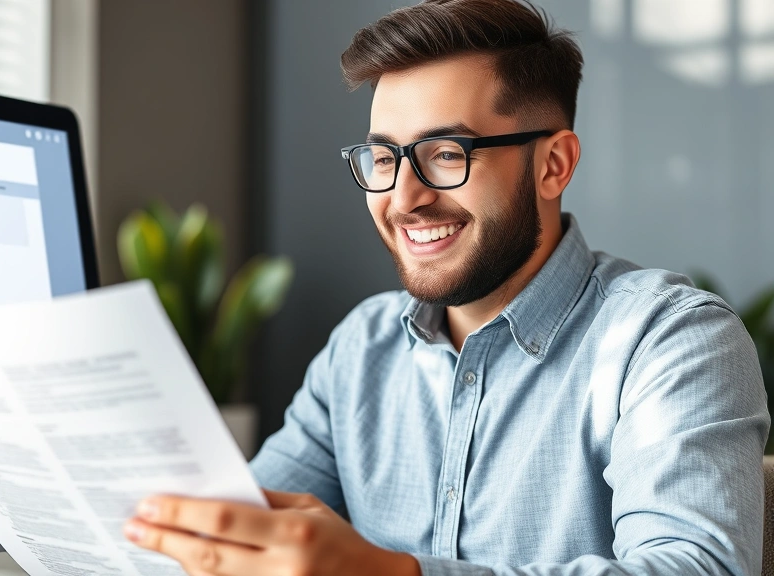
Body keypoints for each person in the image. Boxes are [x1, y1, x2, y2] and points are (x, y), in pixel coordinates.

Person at [123, 1, 770, 574]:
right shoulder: (362, 349)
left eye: (446, 153)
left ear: (553, 164)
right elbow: (236, 531)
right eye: (383, 157)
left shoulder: (671, 341)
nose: (404, 197)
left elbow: (697, 568)